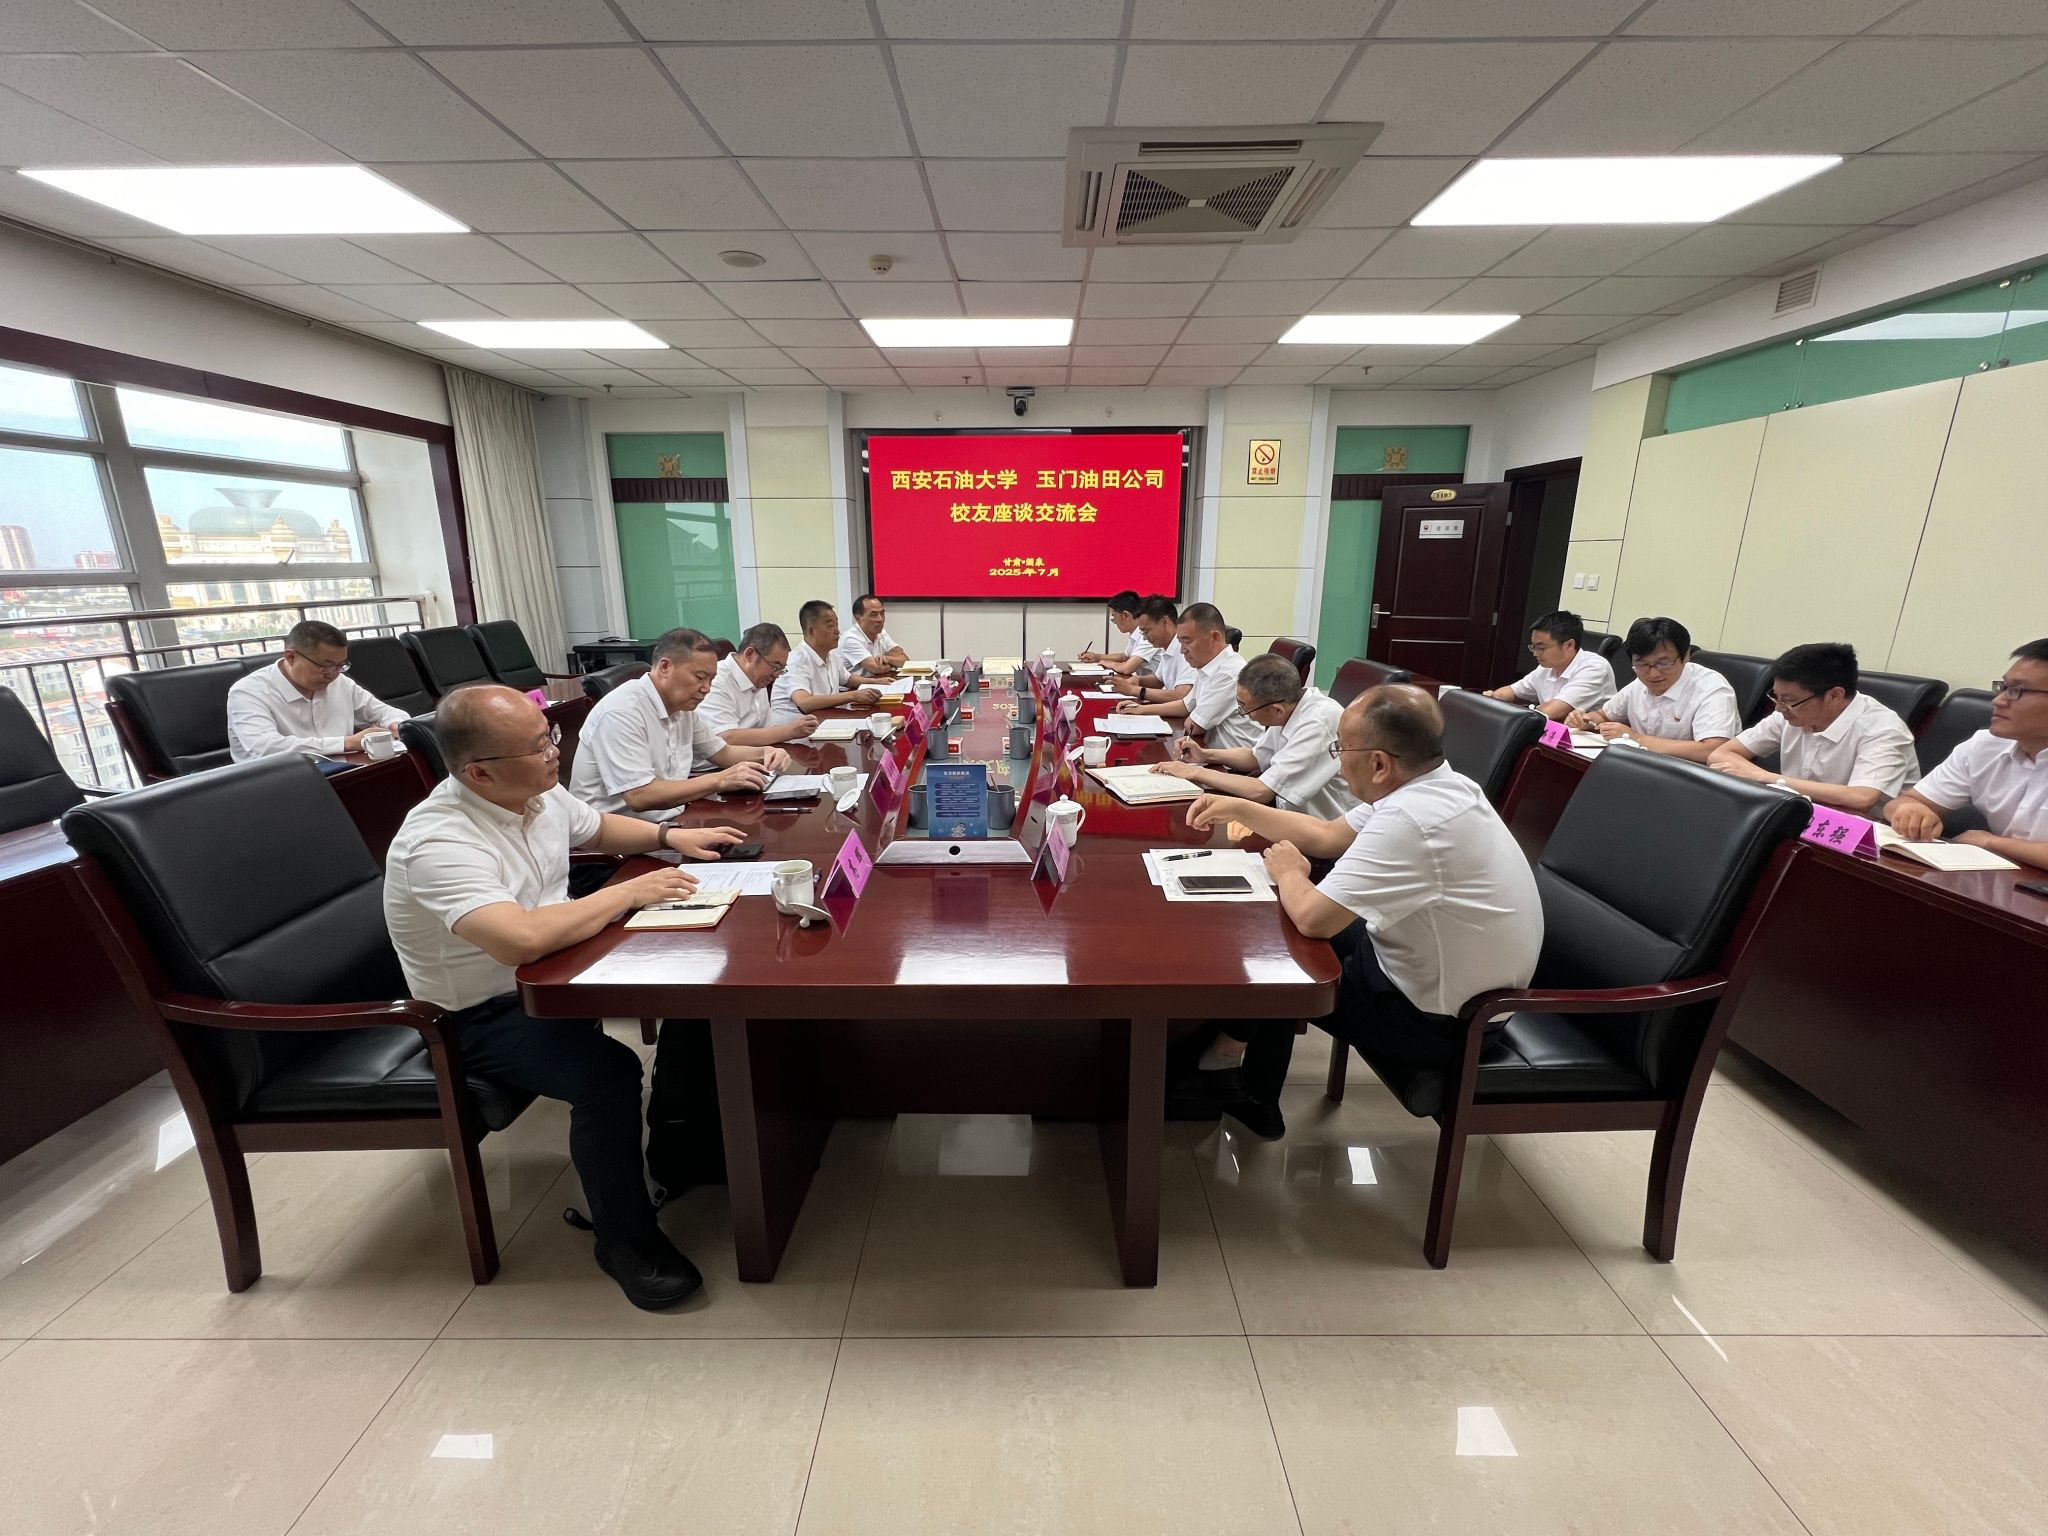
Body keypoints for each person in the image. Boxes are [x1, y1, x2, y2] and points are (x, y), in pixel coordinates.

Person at [383, 684, 747, 1309]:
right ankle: (625, 1241)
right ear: (479, 771)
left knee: (702, 991)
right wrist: (626, 894)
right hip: (476, 1015)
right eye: (538, 746)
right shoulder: (439, 842)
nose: (556, 751)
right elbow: (519, 940)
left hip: (559, 969)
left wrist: (671, 838)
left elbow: (598, 826)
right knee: (606, 1074)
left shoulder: (534, 791)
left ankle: (682, 1150)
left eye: (549, 735)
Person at [1179, 685, 1542, 1140]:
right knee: (1279, 924)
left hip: (1440, 1024)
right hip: (1433, 976)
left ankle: (1250, 1094)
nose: (1337, 760)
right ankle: (1226, 1051)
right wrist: (1238, 808)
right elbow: (1327, 835)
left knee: (1281, 952)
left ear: (1379, 764)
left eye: (1341, 750)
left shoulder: (1411, 820)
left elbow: (1313, 918)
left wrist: (1290, 871)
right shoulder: (1440, 785)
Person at [570, 627, 791, 816]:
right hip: (618, 839)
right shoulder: (621, 712)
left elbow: (723, 753)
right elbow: (639, 795)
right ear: (665, 667)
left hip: (673, 818)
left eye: (711, 679)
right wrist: (719, 780)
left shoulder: (683, 708)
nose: (707, 688)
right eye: (700, 677)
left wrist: (766, 753)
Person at [1884, 639, 2048, 867]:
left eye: (2017, 691)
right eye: (2003, 687)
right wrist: (1911, 811)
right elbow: (1906, 801)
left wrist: (1991, 843)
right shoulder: (1986, 745)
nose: (1998, 700)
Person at [1708, 642, 1918, 813]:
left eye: (1789, 700)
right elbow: (1720, 754)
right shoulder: (1788, 712)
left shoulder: (1884, 730)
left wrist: (1766, 778)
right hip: (1800, 814)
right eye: (1776, 697)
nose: (1779, 708)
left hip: (1864, 835)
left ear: (1834, 695)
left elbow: (1861, 797)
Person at [1149, 652, 1357, 819]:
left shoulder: (1317, 723)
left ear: (1276, 710)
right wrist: (1205, 755)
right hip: (1290, 815)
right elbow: (1255, 757)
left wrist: (1194, 772)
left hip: (1324, 829)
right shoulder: (1289, 705)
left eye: (1244, 707)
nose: (1243, 713)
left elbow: (1262, 791)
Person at [225, 618, 407, 761]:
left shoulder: (340, 682)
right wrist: (347, 743)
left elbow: (384, 712)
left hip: (343, 772)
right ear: (290, 657)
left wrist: (397, 725)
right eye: (325, 666)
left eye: (340, 665)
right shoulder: (248, 693)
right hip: (276, 783)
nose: (333, 674)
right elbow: (265, 748)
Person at [1566, 615, 1740, 763]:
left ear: (1686, 656)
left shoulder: (1711, 688)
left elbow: (1712, 750)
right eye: (1642, 664)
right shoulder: (1639, 683)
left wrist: (1637, 738)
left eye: (1664, 663)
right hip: (1642, 766)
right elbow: (1604, 715)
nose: (1653, 674)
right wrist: (1586, 720)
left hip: (1692, 777)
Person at [1117, 602, 1258, 750]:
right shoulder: (1208, 665)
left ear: (1214, 637)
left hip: (1231, 760)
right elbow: (1185, 705)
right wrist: (1141, 709)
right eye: (1180, 642)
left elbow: (1193, 726)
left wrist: (1190, 715)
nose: (1182, 650)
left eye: (1187, 642)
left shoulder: (1228, 673)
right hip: (1209, 751)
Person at [698, 621, 819, 750]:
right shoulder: (716, 681)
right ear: (750, 654)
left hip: (754, 755)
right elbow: (726, 738)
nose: (776, 675)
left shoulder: (758, 679)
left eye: (781, 669)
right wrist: (790, 731)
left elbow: (769, 728)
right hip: (722, 761)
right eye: (774, 667)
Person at [1486, 610, 1615, 720]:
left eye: (1541, 648)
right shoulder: (1545, 668)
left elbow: (1551, 711)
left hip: (1588, 738)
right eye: (1533, 647)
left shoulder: (1595, 668)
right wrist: (1492, 698)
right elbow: (1513, 692)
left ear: (1569, 645)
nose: (1535, 653)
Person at [773, 600, 884, 722]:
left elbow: (848, 679)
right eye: (831, 626)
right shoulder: (796, 660)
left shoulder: (831, 654)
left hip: (824, 721)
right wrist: (853, 695)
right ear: (811, 631)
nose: (837, 631)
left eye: (837, 625)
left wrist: (877, 682)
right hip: (794, 729)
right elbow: (804, 702)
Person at [1108, 595, 1193, 703]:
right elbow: (1158, 680)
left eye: (1146, 631)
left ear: (1165, 622)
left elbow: (1180, 695)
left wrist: (1135, 690)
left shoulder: (1185, 649)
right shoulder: (1167, 646)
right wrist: (1138, 679)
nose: (1144, 638)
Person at [1078, 590, 1153, 674]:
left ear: (1125, 615)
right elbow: (1124, 657)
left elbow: (1127, 668)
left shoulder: (1147, 636)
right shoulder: (1135, 633)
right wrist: (1096, 657)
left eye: (1114, 617)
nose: (1115, 622)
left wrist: (1109, 664)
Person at [833, 593, 905, 679]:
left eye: (882, 613)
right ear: (858, 618)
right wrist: (893, 664)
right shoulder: (850, 639)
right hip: (856, 685)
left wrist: (887, 659)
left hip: (878, 680)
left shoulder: (881, 633)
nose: (880, 619)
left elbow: (905, 661)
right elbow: (877, 669)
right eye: (874, 614)